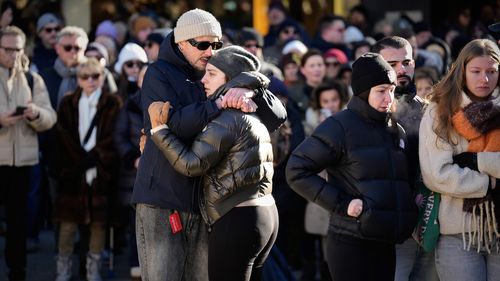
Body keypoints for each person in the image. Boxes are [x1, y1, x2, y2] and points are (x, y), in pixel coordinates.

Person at [131, 8, 286, 281]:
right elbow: (174, 124)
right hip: (163, 199)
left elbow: (278, 115)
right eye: (202, 44)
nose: (210, 51)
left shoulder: (220, 71)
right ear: (181, 43)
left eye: (217, 44)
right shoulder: (159, 73)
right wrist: (219, 102)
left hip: (207, 205)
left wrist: (248, 88)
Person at [286, 53, 417, 281]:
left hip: (386, 241)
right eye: (381, 90)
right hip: (351, 242)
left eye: (392, 89)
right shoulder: (339, 126)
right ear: (363, 92)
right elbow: (296, 170)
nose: (389, 97)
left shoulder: (395, 129)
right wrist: (343, 204)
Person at [419, 38, 500, 281]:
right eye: (476, 71)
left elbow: (456, 169)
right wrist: (489, 184)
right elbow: (438, 174)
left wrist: (477, 162)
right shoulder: (439, 110)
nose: (484, 79)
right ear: (461, 71)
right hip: (458, 235)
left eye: (491, 72)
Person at [372, 36, 438, 281]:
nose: (402, 69)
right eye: (392, 63)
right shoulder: (363, 115)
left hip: (431, 221)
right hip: (389, 226)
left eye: (407, 62)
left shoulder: (431, 111)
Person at [53, 58, 121, 281]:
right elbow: (62, 136)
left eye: (96, 76)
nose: (91, 81)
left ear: (102, 78)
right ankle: (62, 269)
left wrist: (97, 157)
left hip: (100, 172)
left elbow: (114, 138)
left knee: (98, 224)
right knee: (67, 224)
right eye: (85, 77)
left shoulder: (113, 103)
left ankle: (93, 270)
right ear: (78, 80)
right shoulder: (67, 103)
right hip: (73, 172)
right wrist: (79, 159)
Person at [0, 25, 56, 281]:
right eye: (7, 49)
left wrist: (35, 114)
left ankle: (17, 271)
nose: (12, 54)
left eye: (17, 49)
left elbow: (49, 117)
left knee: (18, 223)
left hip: (23, 161)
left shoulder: (33, 79)